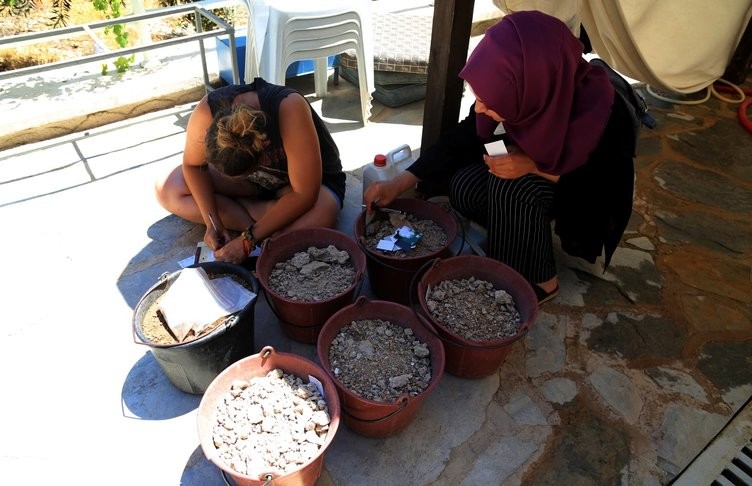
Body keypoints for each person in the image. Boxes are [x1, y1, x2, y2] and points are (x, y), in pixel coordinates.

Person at [363, 11, 636, 304]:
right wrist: (399, 182)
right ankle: (520, 232)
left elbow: (600, 188)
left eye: (488, 102)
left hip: (583, 194)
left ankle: (541, 282)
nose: (479, 109)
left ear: (527, 90)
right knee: (464, 186)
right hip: (544, 176)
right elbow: (461, 139)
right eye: (477, 98)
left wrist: (533, 166)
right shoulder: (525, 90)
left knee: (512, 188)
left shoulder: (603, 114)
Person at [155, 77, 346, 264]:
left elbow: (305, 194)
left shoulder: (288, 108)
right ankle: (274, 221)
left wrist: (248, 240)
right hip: (256, 188)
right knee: (168, 188)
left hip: (302, 185)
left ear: (264, 147)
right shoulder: (207, 112)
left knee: (324, 213)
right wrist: (212, 221)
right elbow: (193, 166)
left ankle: (259, 218)